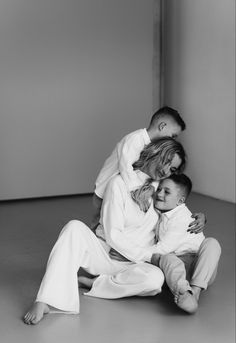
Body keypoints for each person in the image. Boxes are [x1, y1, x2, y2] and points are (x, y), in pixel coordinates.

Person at [23, 138, 190, 325]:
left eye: (173, 169)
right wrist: (151, 257)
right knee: (74, 228)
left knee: (154, 280)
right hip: (106, 256)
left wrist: (198, 218)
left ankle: (96, 283)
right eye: (167, 162)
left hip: (135, 265)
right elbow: (113, 234)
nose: (166, 170)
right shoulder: (119, 183)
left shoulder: (163, 190)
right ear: (156, 152)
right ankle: (47, 300)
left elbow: (179, 211)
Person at [91, 106, 186, 231]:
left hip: (122, 187)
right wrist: (136, 191)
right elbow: (126, 167)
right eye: (173, 136)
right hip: (103, 188)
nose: (172, 140)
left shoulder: (151, 145)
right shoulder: (135, 139)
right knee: (101, 220)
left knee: (114, 217)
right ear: (162, 126)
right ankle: (93, 239)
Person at [150, 174, 221, 314]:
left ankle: (194, 292)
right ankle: (183, 290)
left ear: (180, 200)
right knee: (168, 258)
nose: (159, 194)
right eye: (159, 189)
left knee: (212, 243)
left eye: (166, 192)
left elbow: (162, 248)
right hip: (177, 269)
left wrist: (132, 254)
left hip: (200, 268)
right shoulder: (162, 210)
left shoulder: (181, 219)